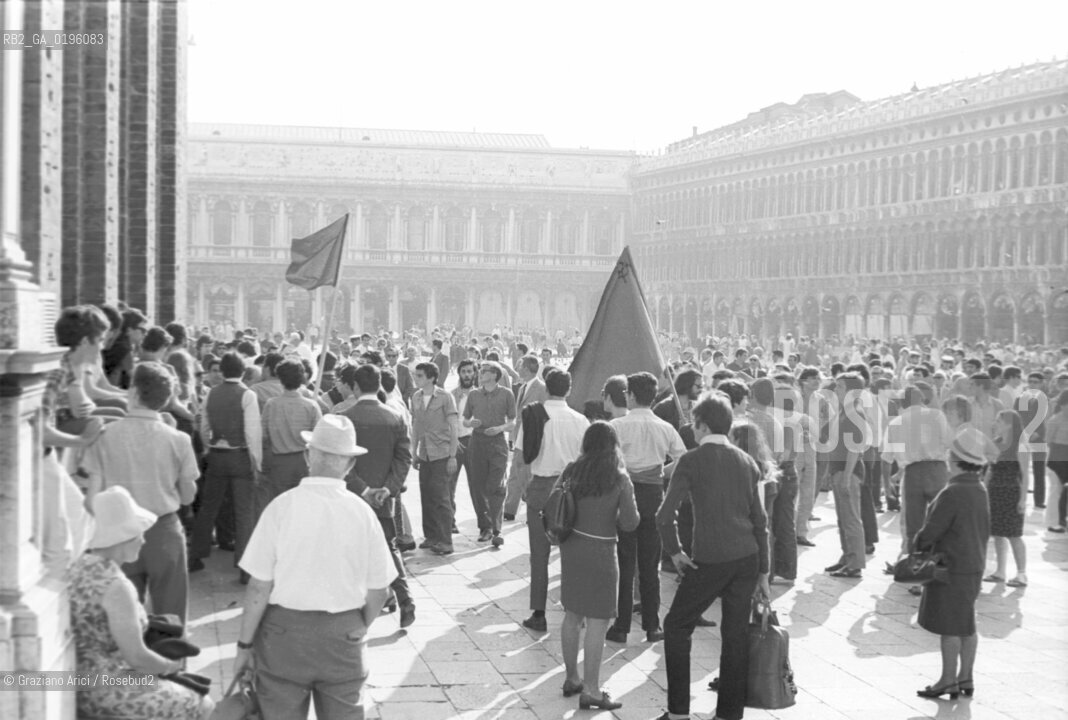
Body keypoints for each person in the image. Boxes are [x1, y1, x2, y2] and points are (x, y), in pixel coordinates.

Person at [233, 415, 397, 720]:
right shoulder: (362, 513)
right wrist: (355, 626)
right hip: (343, 635)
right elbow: (380, 590)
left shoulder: (281, 507)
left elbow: (258, 587)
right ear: (349, 465)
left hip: (284, 636)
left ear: (309, 456)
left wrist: (244, 644)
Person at [656, 394, 770, 720]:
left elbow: (664, 516)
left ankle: (679, 712)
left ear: (703, 425)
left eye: (694, 423)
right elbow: (761, 524)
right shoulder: (747, 461)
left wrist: (675, 552)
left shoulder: (691, 460)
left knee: (677, 625)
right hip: (747, 557)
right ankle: (729, 713)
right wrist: (764, 572)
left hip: (709, 557)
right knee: (734, 636)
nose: (692, 429)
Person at [70, 487, 214, 720]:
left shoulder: (81, 566)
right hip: (107, 687)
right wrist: (170, 667)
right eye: (139, 533)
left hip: (83, 679)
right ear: (122, 538)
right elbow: (136, 657)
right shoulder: (115, 586)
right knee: (202, 703)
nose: (143, 539)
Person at [81, 362, 199, 622]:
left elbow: (93, 495)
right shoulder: (178, 439)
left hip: (117, 532)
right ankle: (170, 659)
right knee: (171, 613)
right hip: (163, 529)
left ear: (133, 393)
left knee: (121, 614)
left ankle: (128, 659)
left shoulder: (104, 435)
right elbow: (189, 496)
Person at [557, 421, 639, 711]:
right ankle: (591, 689)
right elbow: (631, 522)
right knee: (598, 621)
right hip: (602, 549)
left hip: (572, 548)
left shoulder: (571, 471)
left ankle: (571, 677)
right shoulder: (619, 478)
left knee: (572, 614)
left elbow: (556, 504)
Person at [607, 372, 686, 645]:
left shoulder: (617, 425)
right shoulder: (665, 427)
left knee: (626, 562)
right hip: (654, 493)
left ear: (629, 395)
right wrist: (661, 472)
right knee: (650, 564)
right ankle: (652, 626)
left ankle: (622, 625)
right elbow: (683, 458)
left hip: (625, 492)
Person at [914, 428, 991, 701]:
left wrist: (918, 545)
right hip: (974, 562)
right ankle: (965, 677)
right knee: (967, 623)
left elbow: (931, 531)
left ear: (956, 460)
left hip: (951, 566)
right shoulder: (979, 487)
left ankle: (948, 680)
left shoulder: (953, 491)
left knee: (950, 626)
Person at [338, 364, 416, 628]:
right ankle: (405, 599)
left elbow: (342, 462)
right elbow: (404, 457)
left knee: (352, 549)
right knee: (388, 547)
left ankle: (359, 602)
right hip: (384, 497)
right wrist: (388, 488)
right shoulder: (395, 417)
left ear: (356, 387)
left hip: (354, 496)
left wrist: (364, 489)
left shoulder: (346, 417)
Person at [515, 368, 588, 633]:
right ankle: (574, 610)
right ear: (568, 390)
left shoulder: (534, 416)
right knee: (571, 554)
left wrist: (524, 487)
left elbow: (521, 457)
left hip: (541, 486)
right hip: (571, 489)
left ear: (547, 388)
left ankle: (538, 612)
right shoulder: (581, 420)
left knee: (539, 555)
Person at [190, 351, 262, 582]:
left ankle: (195, 555)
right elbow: (253, 432)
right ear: (242, 371)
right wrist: (256, 462)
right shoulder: (247, 395)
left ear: (223, 371)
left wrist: (208, 447)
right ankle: (245, 567)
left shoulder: (211, 393)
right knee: (244, 513)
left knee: (209, 507)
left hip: (217, 455)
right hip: (240, 456)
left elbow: (204, 426)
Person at [462, 361, 517, 547]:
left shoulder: (506, 394)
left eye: (484, 371)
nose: (480, 374)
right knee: (478, 486)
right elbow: (464, 419)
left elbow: (513, 421)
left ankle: (497, 529)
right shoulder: (474, 394)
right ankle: (484, 527)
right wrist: (471, 424)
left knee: (496, 485)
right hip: (477, 442)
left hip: (497, 442)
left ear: (494, 374)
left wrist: (500, 428)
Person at [259, 359, 322, 518]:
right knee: (304, 509)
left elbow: (264, 435)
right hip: (304, 461)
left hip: (279, 462)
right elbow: (319, 438)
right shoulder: (311, 405)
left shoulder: (271, 405)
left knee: (281, 509)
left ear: (280, 379)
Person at [410, 362, 459, 555]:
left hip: (442, 452)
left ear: (431, 378)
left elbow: (454, 427)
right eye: (415, 375)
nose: (416, 378)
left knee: (441, 498)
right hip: (425, 453)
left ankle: (445, 540)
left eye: (420, 375)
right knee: (427, 496)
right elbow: (416, 426)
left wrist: (453, 456)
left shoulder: (445, 397)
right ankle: (431, 536)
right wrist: (414, 451)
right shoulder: (416, 397)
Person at [984, 409, 1028, 587]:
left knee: (1014, 534)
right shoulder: (996, 443)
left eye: (999, 421)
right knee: (997, 533)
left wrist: (1023, 499)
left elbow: (1025, 475)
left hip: (1011, 492)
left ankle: (1021, 573)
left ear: (1009, 424)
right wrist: (984, 491)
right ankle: (1000, 571)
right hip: (995, 492)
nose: (996, 423)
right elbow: (989, 470)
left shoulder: (1020, 446)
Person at [503, 355, 549, 521]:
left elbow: (545, 414)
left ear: (528, 369)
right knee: (516, 471)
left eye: (521, 366)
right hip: (520, 436)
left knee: (523, 472)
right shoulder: (522, 388)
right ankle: (510, 508)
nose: (518, 369)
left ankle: (520, 505)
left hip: (533, 438)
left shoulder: (542, 388)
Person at [1045, 390, 1068, 533]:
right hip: (1056, 460)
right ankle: (1054, 522)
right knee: (1056, 490)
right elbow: (1048, 441)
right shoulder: (1055, 420)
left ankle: (1062, 519)